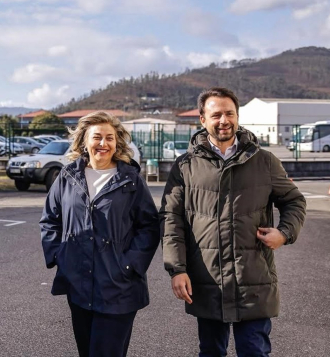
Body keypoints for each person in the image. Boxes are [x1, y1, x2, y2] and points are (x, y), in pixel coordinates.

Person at [160, 87, 307, 357]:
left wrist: (284, 233)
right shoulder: (185, 166)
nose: (224, 120)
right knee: (211, 351)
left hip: (254, 279)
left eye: (229, 113)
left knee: (253, 351)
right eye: (216, 115)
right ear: (202, 119)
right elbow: (171, 220)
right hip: (207, 280)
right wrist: (176, 269)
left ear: (237, 116)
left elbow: (294, 201)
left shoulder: (264, 161)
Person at [40, 111, 160, 357]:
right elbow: (50, 220)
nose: (103, 143)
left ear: (117, 143)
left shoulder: (130, 179)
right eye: (97, 137)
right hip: (79, 285)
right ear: (84, 141)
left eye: (109, 138)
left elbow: (149, 227)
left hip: (119, 286)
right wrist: (61, 257)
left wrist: (129, 265)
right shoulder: (68, 176)